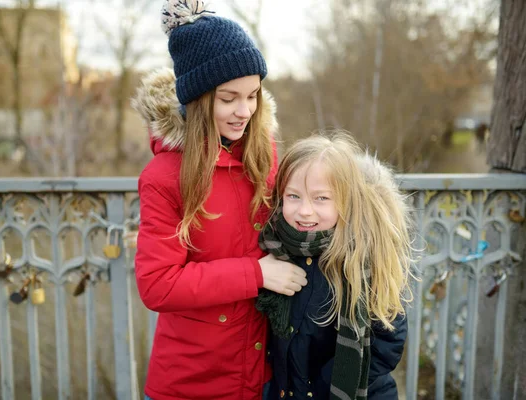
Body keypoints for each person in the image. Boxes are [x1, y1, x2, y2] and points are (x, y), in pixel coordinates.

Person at [131, 1, 308, 399]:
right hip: (192, 382)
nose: (244, 111)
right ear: (197, 99)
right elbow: (157, 285)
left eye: (253, 96)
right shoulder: (163, 178)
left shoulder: (265, 158)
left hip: (261, 375)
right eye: (228, 98)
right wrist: (257, 274)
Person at [257, 132, 415, 399]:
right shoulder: (275, 248)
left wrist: (326, 384)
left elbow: (387, 342)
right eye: (294, 196)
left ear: (346, 201)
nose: (305, 211)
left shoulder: (362, 259)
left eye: (321, 199)